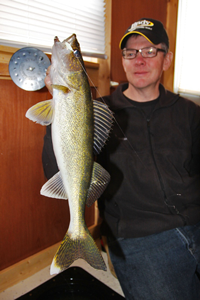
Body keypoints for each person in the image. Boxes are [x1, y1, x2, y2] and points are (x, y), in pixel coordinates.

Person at [42, 18, 200, 300]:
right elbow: (57, 172)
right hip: (139, 237)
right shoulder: (97, 112)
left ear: (167, 59)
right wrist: (58, 109)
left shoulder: (190, 113)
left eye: (150, 50)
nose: (139, 59)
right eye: (130, 53)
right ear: (123, 61)